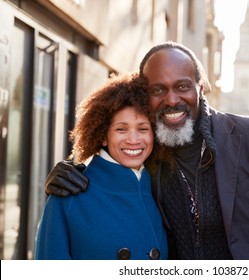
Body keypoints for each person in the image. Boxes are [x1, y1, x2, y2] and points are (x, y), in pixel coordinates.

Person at [44, 41, 249, 260]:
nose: (171, 99)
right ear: (146, 96)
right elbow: (113, 179)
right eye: (157, 90)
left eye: (182, 86)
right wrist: (69, 175)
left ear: (200, 87)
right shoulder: (147, 152)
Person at [35, 72, 168, 260]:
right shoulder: (67, 196)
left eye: (143, 129)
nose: (133, 140)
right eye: (121, 129)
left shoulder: (161, 190)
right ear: (103, 136)